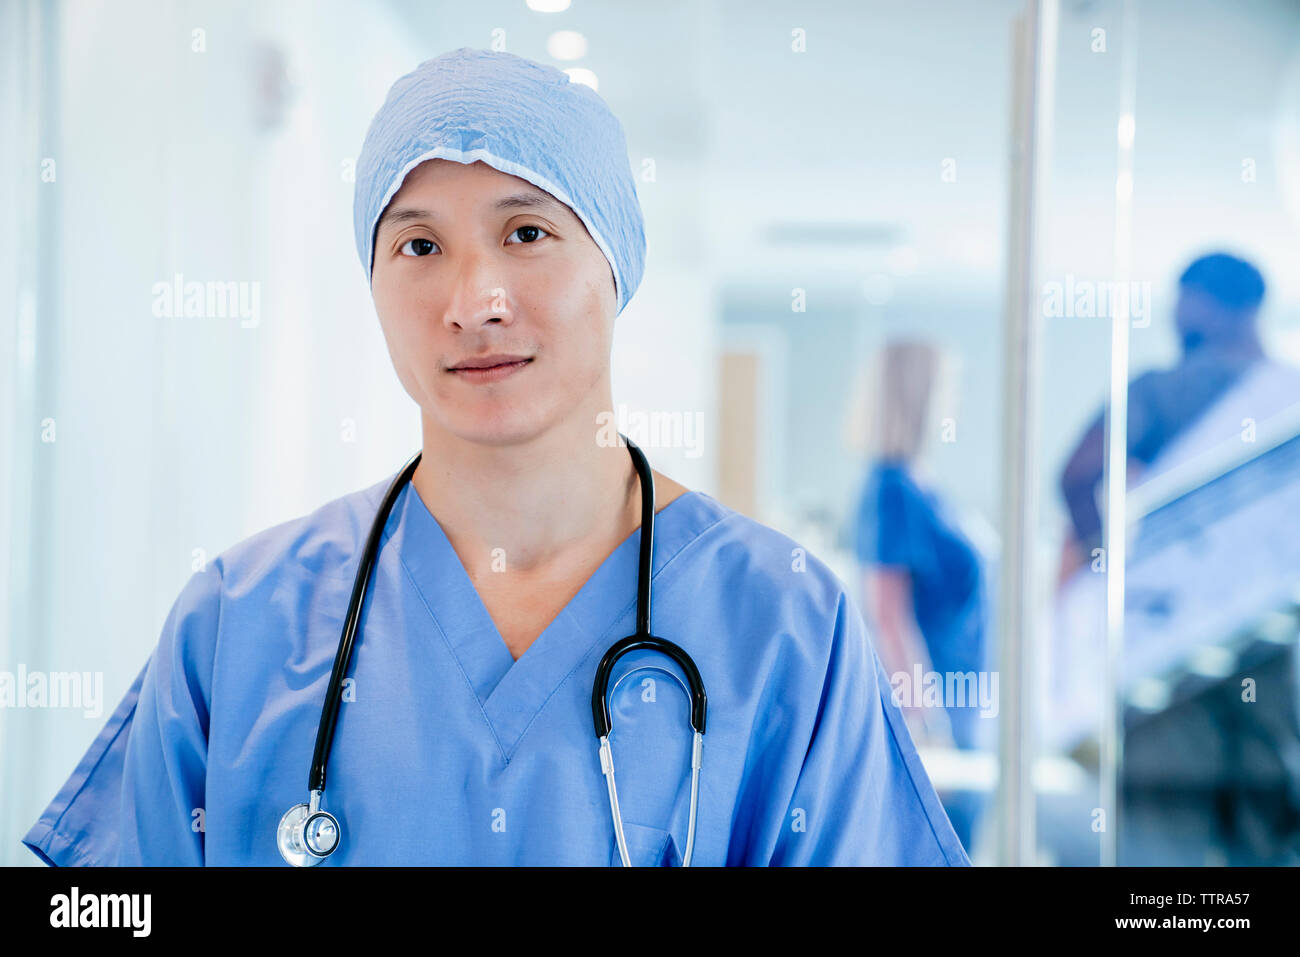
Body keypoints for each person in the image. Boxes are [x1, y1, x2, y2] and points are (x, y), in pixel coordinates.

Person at [22, 48, 968, 867]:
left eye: (527, 232)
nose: (475, 300)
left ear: (616, 263)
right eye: (420, 243)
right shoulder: (238, 623)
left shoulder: (783, 624)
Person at [851, 340, 992, 855]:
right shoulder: (891, 489)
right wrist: (927, 728)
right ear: (920, 395)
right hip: (933, 719)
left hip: (961, 705)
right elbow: (888, 616)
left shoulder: (920, 484)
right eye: (944, 387)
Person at [1057, 252, 1270, 584]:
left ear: (1204, 305)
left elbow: (1077, 476)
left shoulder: (1160, 391)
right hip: (1269, 587)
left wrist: (1107, 572)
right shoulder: (1286, 394)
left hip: (1176, 591)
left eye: (1184, 299)